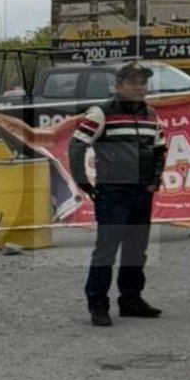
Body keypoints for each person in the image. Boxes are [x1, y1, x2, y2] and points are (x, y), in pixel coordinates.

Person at [68, 63, 167, 327]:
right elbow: (77, 145)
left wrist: (154, 181)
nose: (139, 87)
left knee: (137, 250)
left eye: (143, 82)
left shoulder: (151, 114)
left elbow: (160, 149)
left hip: (141, 192)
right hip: (113, 192)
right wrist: (83, 182)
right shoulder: (101, 113)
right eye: (133, 82)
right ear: (118, 85)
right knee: (106, 250)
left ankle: (131, 300)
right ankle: (98, 304)